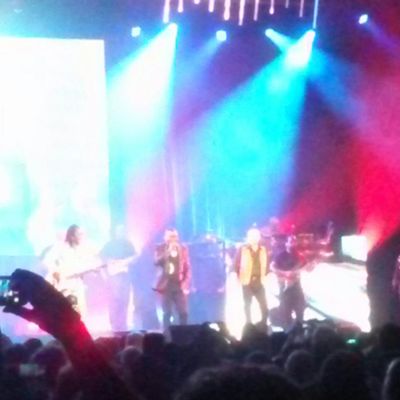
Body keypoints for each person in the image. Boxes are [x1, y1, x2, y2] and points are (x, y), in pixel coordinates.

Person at [43, 224, 102, 317]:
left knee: (80, 312)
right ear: (72, 236)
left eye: (83, 234)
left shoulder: (83, 249)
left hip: (77, 284)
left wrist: (94, 269)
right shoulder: (61, 246)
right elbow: (47, 261)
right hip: (64, 283)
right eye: (79, 234)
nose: (82, 236)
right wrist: (56, 272)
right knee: (65, 310)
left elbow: (87, 265)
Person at [100, 225, 138, 332]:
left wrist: (128, 261)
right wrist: (106, 271)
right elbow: (101, 257)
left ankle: (122, 324)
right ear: (116, 232)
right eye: (119, 231)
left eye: (123, 230)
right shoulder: (109, 244)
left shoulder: (128, 244)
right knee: (115, 300)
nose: (121, 232)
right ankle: (114, 325)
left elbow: (135, 257)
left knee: (124, 300)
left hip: (125, 275)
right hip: (113, 276)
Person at [154, 229, 191, 329]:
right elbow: (157, 262)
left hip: (179, 284)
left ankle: (183, 333)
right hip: (165, 285)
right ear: (165, 238)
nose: (173, 239)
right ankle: (166, 334)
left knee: (183, 312)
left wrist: (186, 283)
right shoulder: (160, 247)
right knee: (167, 313)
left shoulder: (183, 248)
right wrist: (168, 252)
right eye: (171, 237)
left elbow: (187, 266)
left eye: (175, 236)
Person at [270, 236, 307, 330]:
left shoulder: (299, 255)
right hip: (284, 285)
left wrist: (297, 271)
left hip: (296, 285)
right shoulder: (280, 255)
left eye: (294, 242)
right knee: (285, 309)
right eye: (290, 242)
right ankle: (287, 328)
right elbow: (272, 267)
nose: (292, 244)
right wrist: (283, 273)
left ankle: (299, 327)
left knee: (300, 307)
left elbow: (306, 267)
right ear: (286, 243)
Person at [235, 227, 269, 326]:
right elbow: (236, 264)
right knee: (247, 305)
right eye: (251, 236)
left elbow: (266, 264)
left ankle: (263, 323)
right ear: (248, 237)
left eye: (256, 236)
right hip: (247, 281)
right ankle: (248, 324)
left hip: (259, 281)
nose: (254, 238)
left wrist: (266, 275)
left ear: (259, 238)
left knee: (264, 305)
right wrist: (237, 277)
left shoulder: (263, 249)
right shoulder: (242, 249)